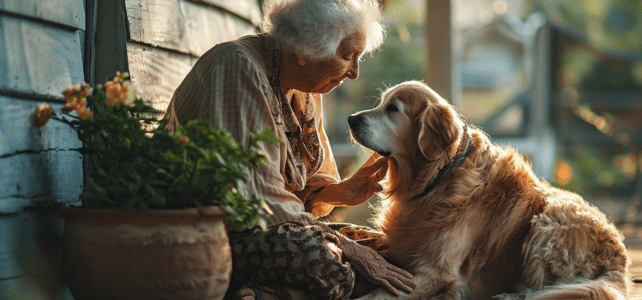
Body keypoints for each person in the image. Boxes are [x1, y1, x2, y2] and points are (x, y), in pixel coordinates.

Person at [163, 0, 416, 299]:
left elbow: (296, 193)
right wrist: (346, 248)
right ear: (305, 48)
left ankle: (267, 293)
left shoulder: (307, 86)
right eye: (347, 56)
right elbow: (259, 199)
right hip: (213, 234)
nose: (354, 73)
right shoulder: (237, 68)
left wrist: (339, 193)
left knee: (398, 255)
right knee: (327, 263)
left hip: (272, 230)